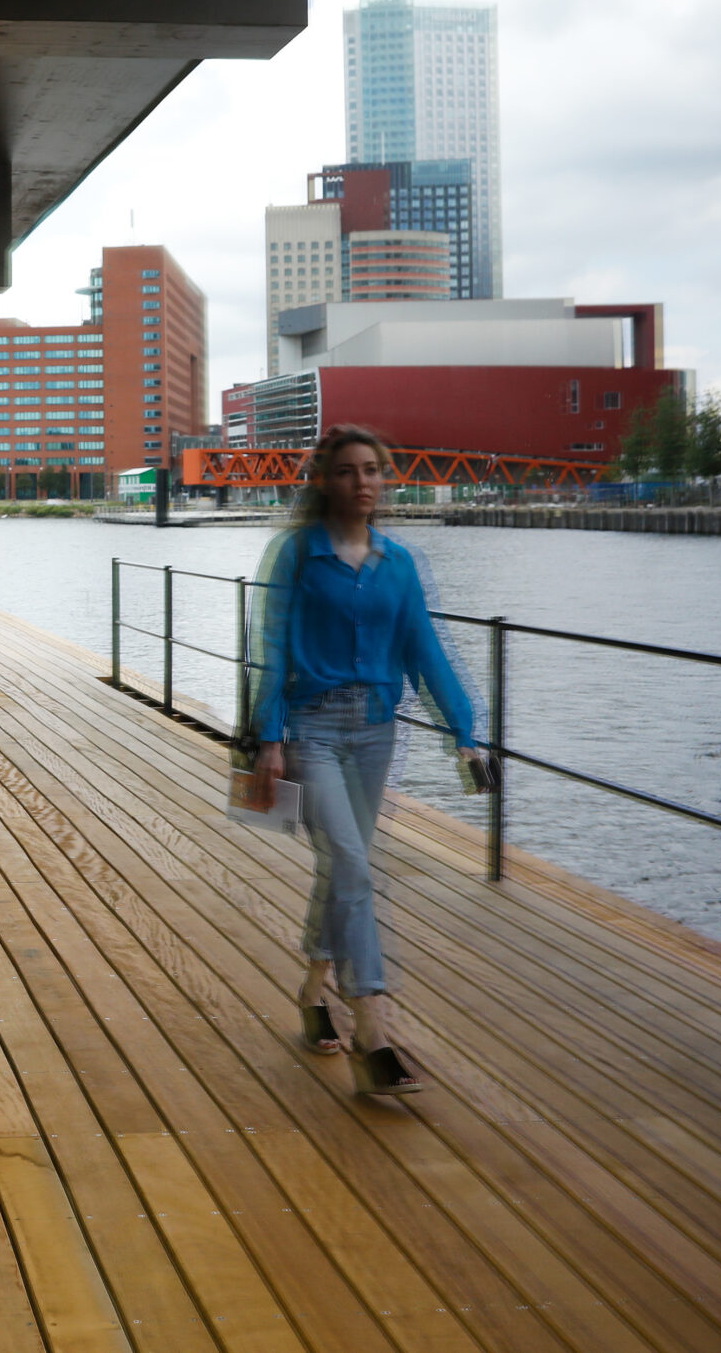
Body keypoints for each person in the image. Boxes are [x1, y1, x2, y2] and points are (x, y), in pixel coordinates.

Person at [245, 425, 484, 1097]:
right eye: (348, 471)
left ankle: (314, 991)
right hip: (311, 730)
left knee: (340, 864)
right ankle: (372, 1028)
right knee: (352, 863)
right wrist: (269, 737)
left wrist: (464, 730)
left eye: (373, 470)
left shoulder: (399, 564)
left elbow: (424, 649)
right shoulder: (296, 555)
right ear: (325, 479)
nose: (363, 482)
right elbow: (270, 646)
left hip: (377, 732)